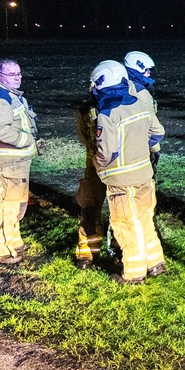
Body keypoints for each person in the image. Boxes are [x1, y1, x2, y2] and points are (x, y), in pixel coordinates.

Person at [90, 60, 166, 284]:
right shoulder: (141, 104)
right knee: (144, 219)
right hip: (144, 174)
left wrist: (99, 164)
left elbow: (106, 152)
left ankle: (134, 274)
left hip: (121, 180)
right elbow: (157, 133)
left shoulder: (107, 114)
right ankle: (155, 262)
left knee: (125, 224)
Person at [0, 59, 38, 264]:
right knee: (7, 206)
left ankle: (12, 241)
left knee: (17, 205)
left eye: (19, 74)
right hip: (7, 162)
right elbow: (1, 131)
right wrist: (29, 141)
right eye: (11, 75)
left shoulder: (11, 95)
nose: (17, 78)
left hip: (16, 161)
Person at [72, 90, 107, 269]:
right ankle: (88, 252)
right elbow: (85, 138)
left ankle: (118, 250)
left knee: (122, 211)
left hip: (109, 164)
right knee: (90, 207)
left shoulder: (87, 110)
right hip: (96, 164)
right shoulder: (85, 110)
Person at [123, 51, 161, 178]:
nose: (149, 73)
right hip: (140, 146)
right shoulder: (140, 91)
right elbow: (149, 122)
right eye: (147, 70)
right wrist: (154, 148)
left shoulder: (123, 85)